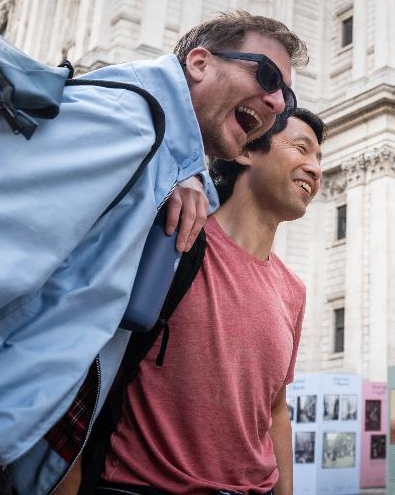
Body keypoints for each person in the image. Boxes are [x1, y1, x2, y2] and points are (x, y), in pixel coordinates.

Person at [0, 11, 305, 495]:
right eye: (265, 75)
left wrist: (185, 172)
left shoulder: (152, 146)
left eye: (286, 100)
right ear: (199, 63)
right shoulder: (121, 127)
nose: (276, 101)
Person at [88, 109, 323, 495]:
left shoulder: (293, 289)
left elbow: (277, 409)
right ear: (247, 150)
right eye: (302, 149)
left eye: (319, 159)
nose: (314, 169)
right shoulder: (173, 241)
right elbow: (92, 359)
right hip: (142, 487)